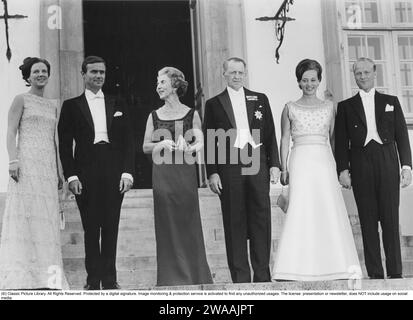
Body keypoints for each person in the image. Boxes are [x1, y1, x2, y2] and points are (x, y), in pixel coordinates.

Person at [272, 59, 361, 281]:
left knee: (327, 207)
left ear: (319, 81)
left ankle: (334, 264)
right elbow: (284, 139)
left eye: (313, 80)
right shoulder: (289, 107)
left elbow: (334, 140)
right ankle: (294, 267)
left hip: (324, 160)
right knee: (300, 208)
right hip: (300, 159)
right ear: (299, 83)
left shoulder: (330, 107)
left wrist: (340, 167)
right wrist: (284, 168)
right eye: (305, 80)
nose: (309, 84)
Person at [58, 56, 135, 290]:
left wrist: (127, 173)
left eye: (102, 72)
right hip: (86, 169)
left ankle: (110, 280)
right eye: (93, 72)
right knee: (91, 227)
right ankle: (93, 281)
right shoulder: (71, 105)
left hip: (113, 168)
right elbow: (64, 143)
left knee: (111, 225)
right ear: (83, 74)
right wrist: (71, 176)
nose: (99, 76)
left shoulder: (117, 102)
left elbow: (128, 141)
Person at [203, 57, 281, 283]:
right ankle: (240, 277)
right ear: (224, 74)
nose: (237, 76)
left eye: (240, 72)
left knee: (260, 217)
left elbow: (270, 134)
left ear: (245, 74)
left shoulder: (260, 99)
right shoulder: (214, 103)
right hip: (229, 165)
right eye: (232, 72)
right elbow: (210, 140)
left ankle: (262, 275)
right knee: (234, 218)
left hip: (257, 162)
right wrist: (213, 172)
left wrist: (274, 164)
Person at [335, 57, 412, 279]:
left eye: (366, 72)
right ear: (354, 76)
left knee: (390, 219)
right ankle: (376, 274)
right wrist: (343, 169)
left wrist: (406, 166)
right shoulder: (346, 106)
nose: (363, 77)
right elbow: (341, 142)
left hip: (387, 160)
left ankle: (396, 274)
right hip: (360, 161)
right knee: (368, 222)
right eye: (358, 73)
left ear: (374, 72)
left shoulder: (391, 101)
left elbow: (402, 137)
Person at [0, 57, 69, 290]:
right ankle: (21, 276)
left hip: (47, 167)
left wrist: (60, 170)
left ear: (48, 75)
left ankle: (47, 279)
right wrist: (13, 160)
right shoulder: (21, 99)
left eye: (44, 71)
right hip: (26, 164)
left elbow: (56, 140)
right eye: (36, 71)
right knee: (25, 215)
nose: (40, 74)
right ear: (28, 76)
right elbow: (10, 132)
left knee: (46, 218)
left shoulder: (53, 105)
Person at [142, 67, 212, 286]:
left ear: (174, 85)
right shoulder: (153, 115)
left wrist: (190, 148)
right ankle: (170, 278)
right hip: (162, 176)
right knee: (167, 225)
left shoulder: (192, 114)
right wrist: (160, 143)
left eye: (162, 82)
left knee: (188, 224)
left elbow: (200, 141)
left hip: (185, 174)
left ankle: (194, 275)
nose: (158, 86)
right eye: (157, 83)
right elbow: (145, 146)